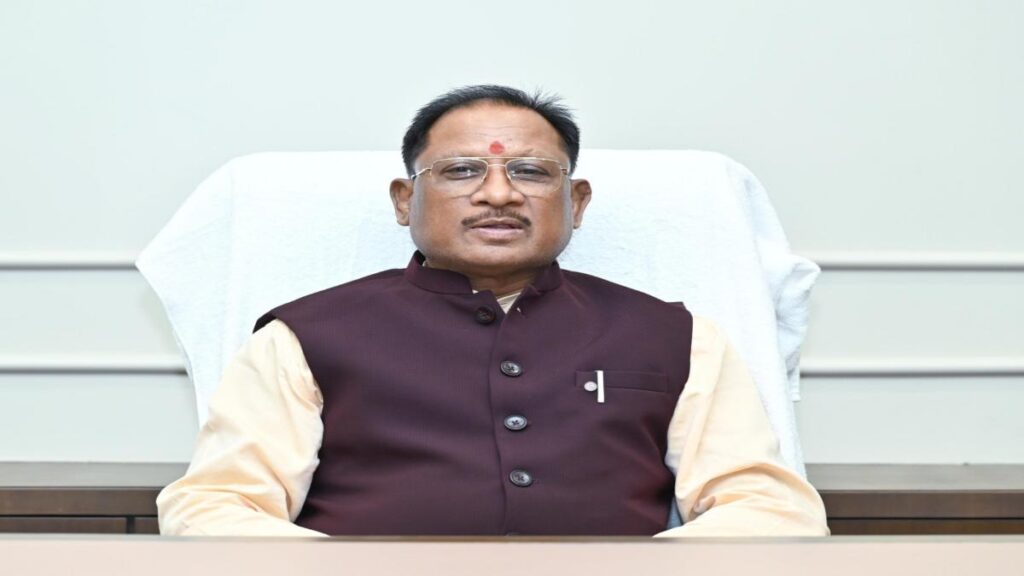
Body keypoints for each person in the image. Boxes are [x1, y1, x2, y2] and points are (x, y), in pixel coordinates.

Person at [157, 85, 829, 537]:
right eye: (461, 171)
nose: (499, 194)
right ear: (404, 200)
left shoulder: (675, 337)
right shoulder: (304, 336)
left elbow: (767, 507)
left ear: (577, 201)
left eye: (531, 172)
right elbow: (216, 505)